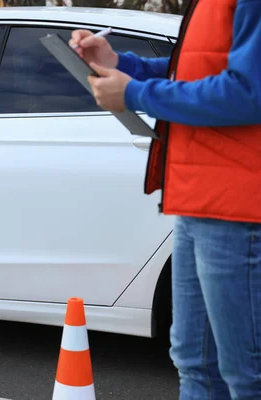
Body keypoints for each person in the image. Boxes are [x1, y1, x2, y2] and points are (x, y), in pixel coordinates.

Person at [69, 1, 261, 398]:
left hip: (239, 207)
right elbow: (195, 71)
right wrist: (120, 63)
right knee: (195, 363)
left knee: (247, 373)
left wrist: (136, 92)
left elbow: (248, 92)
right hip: (202, 201)